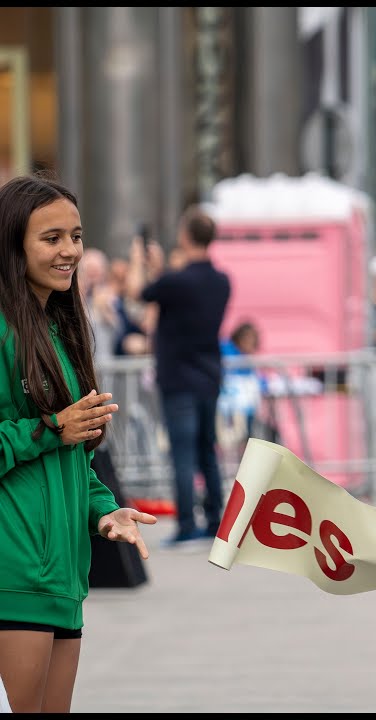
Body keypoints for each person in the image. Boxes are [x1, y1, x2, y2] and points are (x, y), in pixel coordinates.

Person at [0, 174, 157, 712]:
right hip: (14, 573)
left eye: (76, 235)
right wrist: (49, 429)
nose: (69, 251)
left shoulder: (56, 332)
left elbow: (73, 456)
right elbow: (53, 436)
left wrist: (106, 511)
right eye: (51, 238)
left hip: (64, 577)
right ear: (12, 243)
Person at [126, 206, 231, 545]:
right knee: (207, 450)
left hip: (178, 378)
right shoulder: (221, 281)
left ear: (186, 236)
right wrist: (163, 271)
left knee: (182, 454)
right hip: (210, 375)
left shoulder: (176, 281)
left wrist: (139, 262)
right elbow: (174, 290)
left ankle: (186, 525)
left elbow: (140, 293)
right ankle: (217, 520)